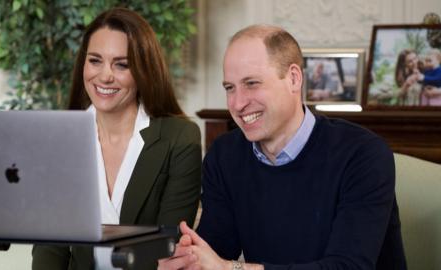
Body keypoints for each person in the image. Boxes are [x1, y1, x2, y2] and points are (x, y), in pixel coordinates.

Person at [159, 24, 406, 270]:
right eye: (229, 88)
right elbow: (213, 251)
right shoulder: (225, 155)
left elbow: (348, 266)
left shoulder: (363, 154)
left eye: (252, 83)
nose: (237, 103)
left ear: (294, 79)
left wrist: (230, 269)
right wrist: (187, 259)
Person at [32, 7, 202, 270]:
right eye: (95, 60)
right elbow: (49, 251)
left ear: (144, 70)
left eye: (121, 64)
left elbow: (170, 252)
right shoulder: (61, 140)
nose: (105, 76)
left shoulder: (180, 139)